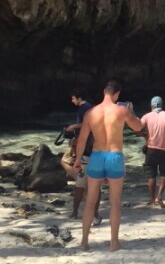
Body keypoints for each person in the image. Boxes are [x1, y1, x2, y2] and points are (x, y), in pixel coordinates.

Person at [74, 80, 143, 251]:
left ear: (104, 91)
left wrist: (77, 160)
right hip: (114, 156)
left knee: (90, 201)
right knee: (114, 202)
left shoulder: (90, 112)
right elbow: (139, 126)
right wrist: (131, 111)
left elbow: (81, 140)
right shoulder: (122, 110)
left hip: (96, 156)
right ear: (117, 94)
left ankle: (84, 242)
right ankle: (114, 243)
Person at [59, 90, 99, 222]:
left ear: (78, 98)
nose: (72, 101)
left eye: (73, 98)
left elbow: (88, 124)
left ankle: (75, 212)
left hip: (86, 151)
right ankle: (95, 214)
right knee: (94, 185)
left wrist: (73, 127)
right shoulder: (91, 107)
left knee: (79, 185)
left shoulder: (84, 108)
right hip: (95, 150)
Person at [139, 96, 165, 209]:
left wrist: (145, 136)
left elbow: (137, 129)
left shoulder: (146, 116)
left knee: (151, 175)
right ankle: (159, 196)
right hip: (163, 150)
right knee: (164, 173)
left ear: (151, 106)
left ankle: (152, 200)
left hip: (150, 149)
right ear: (161, 105)